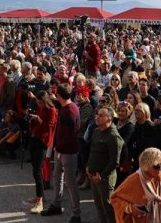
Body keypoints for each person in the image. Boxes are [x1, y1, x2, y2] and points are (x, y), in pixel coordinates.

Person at [41, 83, 82, 222]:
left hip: (68, 152)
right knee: (57, 176)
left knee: (71, 183)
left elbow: (71, 134)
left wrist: (58, 147)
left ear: (59, 96)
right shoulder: (66, 107)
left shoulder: (70, 110)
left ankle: (76, 214)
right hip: (60, 150)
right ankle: (56, 204)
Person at [110, 147, 161, 222]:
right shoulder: (133, 180)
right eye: (156, 166)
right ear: (146, 166)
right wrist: (130, 208)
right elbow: (115, 198)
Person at [85, 106, 124, 223]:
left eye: (101, 115)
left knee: (108, 207)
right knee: (98, 205)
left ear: (109, 118)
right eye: (97, 114)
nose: (97, 117)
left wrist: (101, 176)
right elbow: (92, 151)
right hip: (93, 174)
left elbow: (115, 162)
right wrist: (88, 166)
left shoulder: (114, 137)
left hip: (104, 178)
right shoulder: (97, 131)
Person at [26, 91, 58, 214]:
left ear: (45, 101)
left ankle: (40, 202)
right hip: (35, 137)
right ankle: (39, 196)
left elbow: (48, 127)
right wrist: (32, 119)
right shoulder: (41, 108)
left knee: (37, 171)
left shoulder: (52, 110)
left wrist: (38, 118)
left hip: (43, 142)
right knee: (35, 169)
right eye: (37, 102)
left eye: (40, 102)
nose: (38, 104)